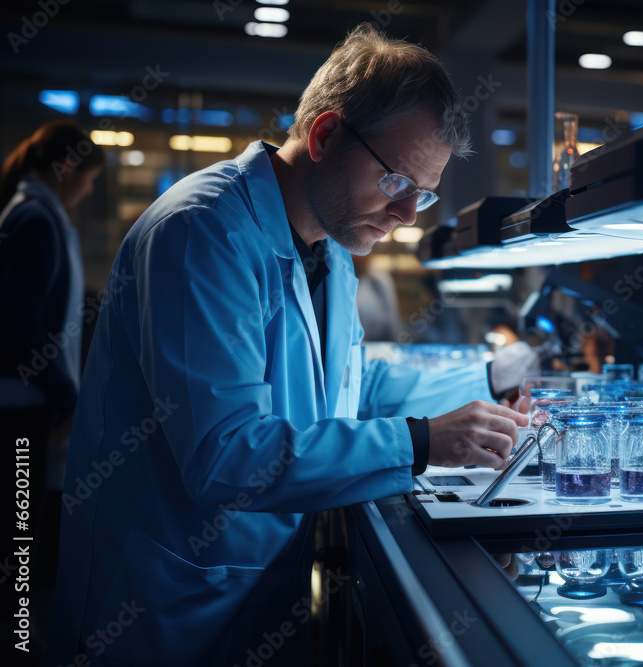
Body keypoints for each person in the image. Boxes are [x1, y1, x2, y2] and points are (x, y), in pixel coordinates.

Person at [49, 25, 536, 666]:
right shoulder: (203, 233)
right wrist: (420, 443)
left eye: (424, 193)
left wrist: (489, 386)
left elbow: (351, 386)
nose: (408, 216)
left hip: (254, 586)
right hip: (160, 600)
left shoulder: (331, 249)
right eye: (397, 183)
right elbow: (224, 455)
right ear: (325, 135)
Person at [0, 121, 103, 657]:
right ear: (66, 169)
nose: (87, 192)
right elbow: (19, 329)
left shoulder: (30, 212)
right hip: (20, 411)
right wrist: (68, 398)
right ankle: (17, 639)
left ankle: (17, 633)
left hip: (24, 406)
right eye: (88, 179)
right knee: (19, 531)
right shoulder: (36, 219)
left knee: (19, 529)